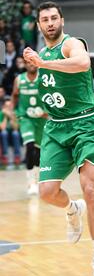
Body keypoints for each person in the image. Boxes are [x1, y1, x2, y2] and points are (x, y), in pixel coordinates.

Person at [23, 1, 94, 276]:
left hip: (85, 125)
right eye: (44, 20)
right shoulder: (41, 55)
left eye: (53, 18)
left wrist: (42, 63)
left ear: (62, 20)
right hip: (55, 128)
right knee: (47, 192)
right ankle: (72, 210)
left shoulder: (71, 44)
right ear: (38, 25)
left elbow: (82, 63)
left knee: (90, 188)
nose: (49, 23)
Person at [11, 62, 47, 195]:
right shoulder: (19, 79)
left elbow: (50, 94)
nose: (31, 65)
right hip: (25, 118)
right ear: (25, 65)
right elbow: (14, 95)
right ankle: (30, 182)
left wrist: (47, 111)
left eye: (33, 63)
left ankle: (36, 181)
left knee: (38, 151)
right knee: (30, 146)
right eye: (28, 63)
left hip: (40, 118)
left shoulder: (43, 78)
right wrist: (13, 113)